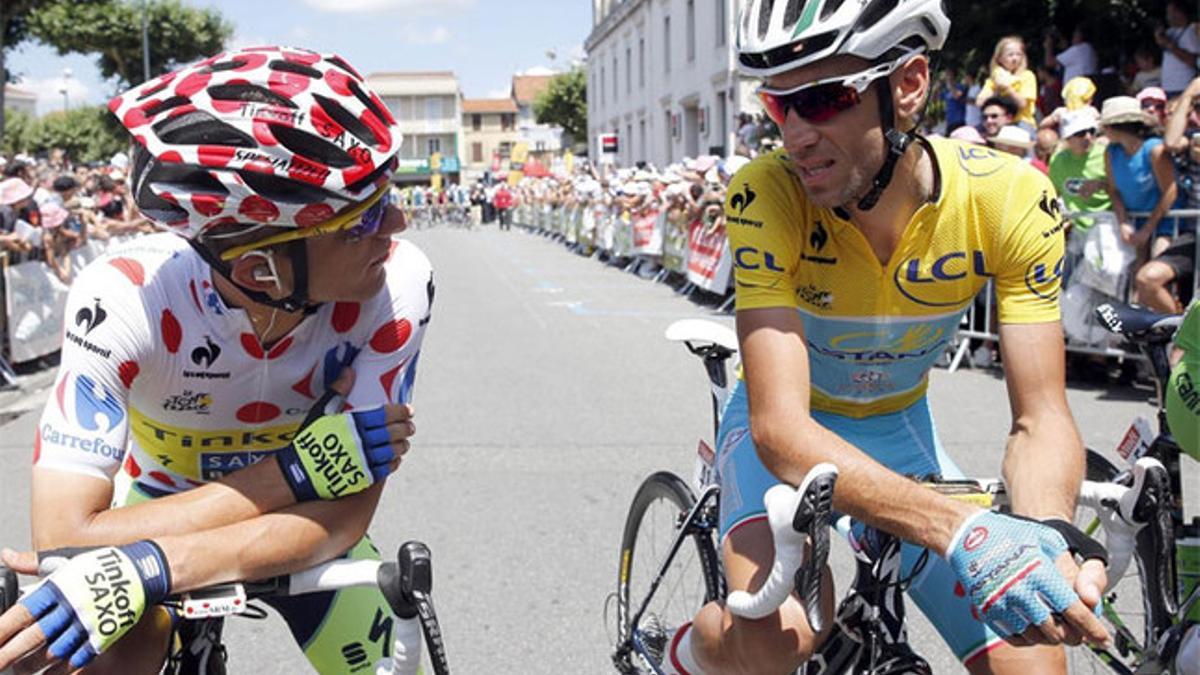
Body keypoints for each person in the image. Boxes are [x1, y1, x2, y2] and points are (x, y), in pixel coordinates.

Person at [656, 2, 1110, 674]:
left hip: (901, 433)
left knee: (1038, 662)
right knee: (779, 638)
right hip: (784, 442)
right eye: (780, 108)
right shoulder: (765, 195)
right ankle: (689, 654)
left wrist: (1042, 537)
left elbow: (1041, 415)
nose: (797, 135)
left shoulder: (1012, 199)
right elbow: (781, 429)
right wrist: (962, 528)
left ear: (908, 84)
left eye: (823, 98)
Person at [0, 46, 432, 674]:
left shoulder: (397, 286)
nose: (398, 221)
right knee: (108, 649)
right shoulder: (126, 296)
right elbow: (66, 539)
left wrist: (156, 561)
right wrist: (292, 473)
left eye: (386, 195)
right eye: (361, 221)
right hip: (173, 498)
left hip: (269, 526)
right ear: (263, 264)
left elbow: (344, 517)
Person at [1102, 96, 1183, 259]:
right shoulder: (1111, 152)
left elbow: (1171, 191)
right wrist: (1123, 222)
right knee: (1134, 274)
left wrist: (1148, 229)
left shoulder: (1154, 150)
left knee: (1156, 263)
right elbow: (1113, 190)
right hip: (1134, 222)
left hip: (1165, 222)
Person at [976, 36, 1038, 130]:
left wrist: (1007, 88)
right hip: (996, 123)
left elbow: (1022, 104)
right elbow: (979, 103)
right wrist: (997, 89)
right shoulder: (993, 80)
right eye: (1010, 55)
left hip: (1021, 122)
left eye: (1018, 54)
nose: (1015, 58)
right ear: (1000, 58)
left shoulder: (1027, 76)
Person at [1157, 0, 1200, 98]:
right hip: (1167, 88)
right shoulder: (1170, 31)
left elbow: (1192, 61)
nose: (1167, 16)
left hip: (1184, 88)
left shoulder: (1192, 31)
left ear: (1179, 13)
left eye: (1170, 12)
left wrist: (1170, 45)